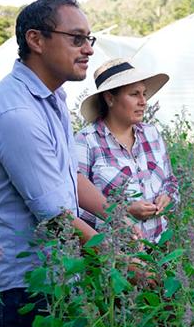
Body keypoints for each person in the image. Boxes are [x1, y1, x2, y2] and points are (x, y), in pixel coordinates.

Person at [0, 0, 144, 327]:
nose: (88, 48)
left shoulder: (50, 97)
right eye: (76, 38)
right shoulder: (15, 113)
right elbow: (54, 216)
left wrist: (116, 213)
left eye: (87, 38)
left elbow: (66, 176)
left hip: (52, 271)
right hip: (21, 281)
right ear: (36, 40)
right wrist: (117, 261)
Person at [75, 58, 180, 242]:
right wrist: (123, 213)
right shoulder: (86, 142)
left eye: (144, 94)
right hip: (114, 257)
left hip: (160, 247)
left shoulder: (151, 134)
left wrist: (167, 196)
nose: (143, 102)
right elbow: (75, 208)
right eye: (134, 94)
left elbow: (170, 181)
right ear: (109, 98)